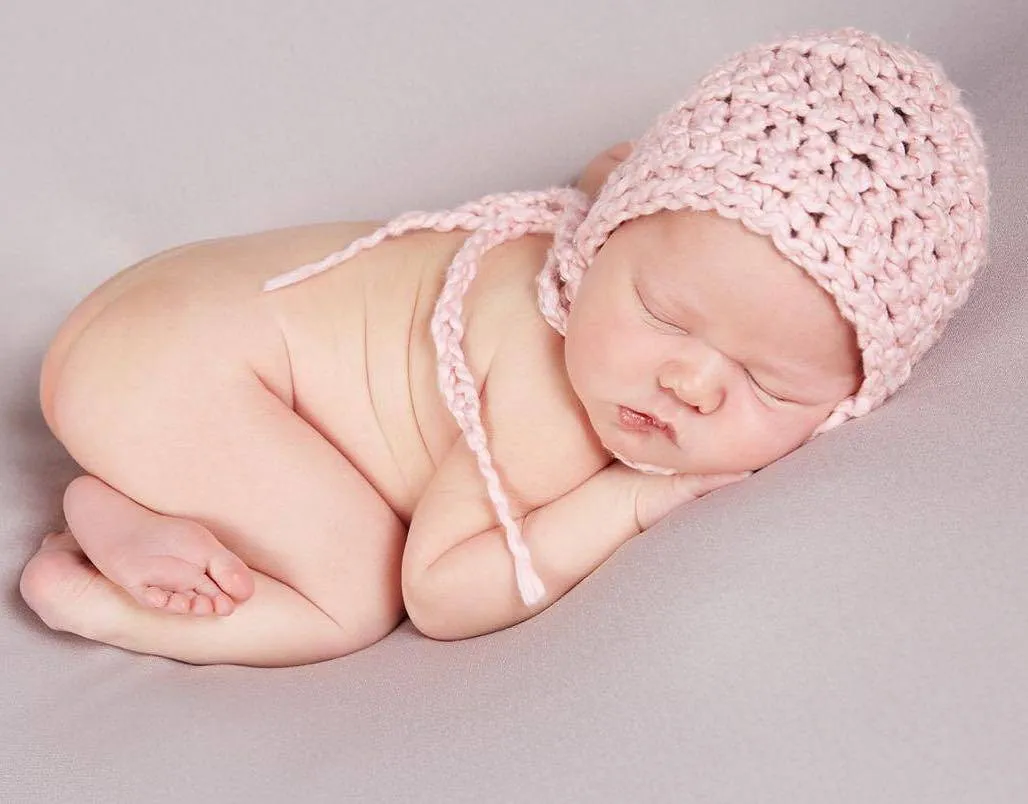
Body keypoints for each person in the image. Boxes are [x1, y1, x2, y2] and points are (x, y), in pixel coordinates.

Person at [19, 28, 989, 667]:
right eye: (664, 314)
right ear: (609, 225)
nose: (687, 381)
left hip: (167, 310)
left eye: (766, 383)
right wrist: (636, 494)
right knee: (349, 594)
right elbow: (440, 594)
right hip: (171, 372)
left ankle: (126, 496)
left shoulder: (621, 232)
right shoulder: (542, 392)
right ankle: (84, 594)